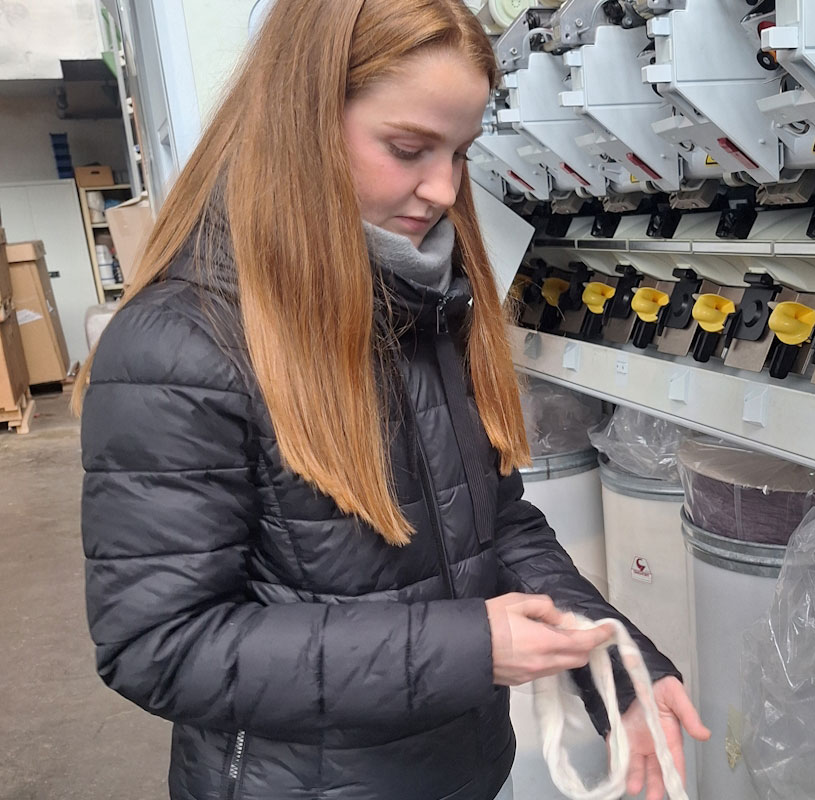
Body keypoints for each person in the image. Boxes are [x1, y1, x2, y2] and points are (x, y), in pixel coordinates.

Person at [76, 1, 709, 798]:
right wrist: (469, 649)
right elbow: (159, 644)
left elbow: (495, 525)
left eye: (459, 152)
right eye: (408, 148)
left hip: (461, 769)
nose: (444, 189)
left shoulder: (418, 302)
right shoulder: (181, 345)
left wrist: (614, 663)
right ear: (301, 121)